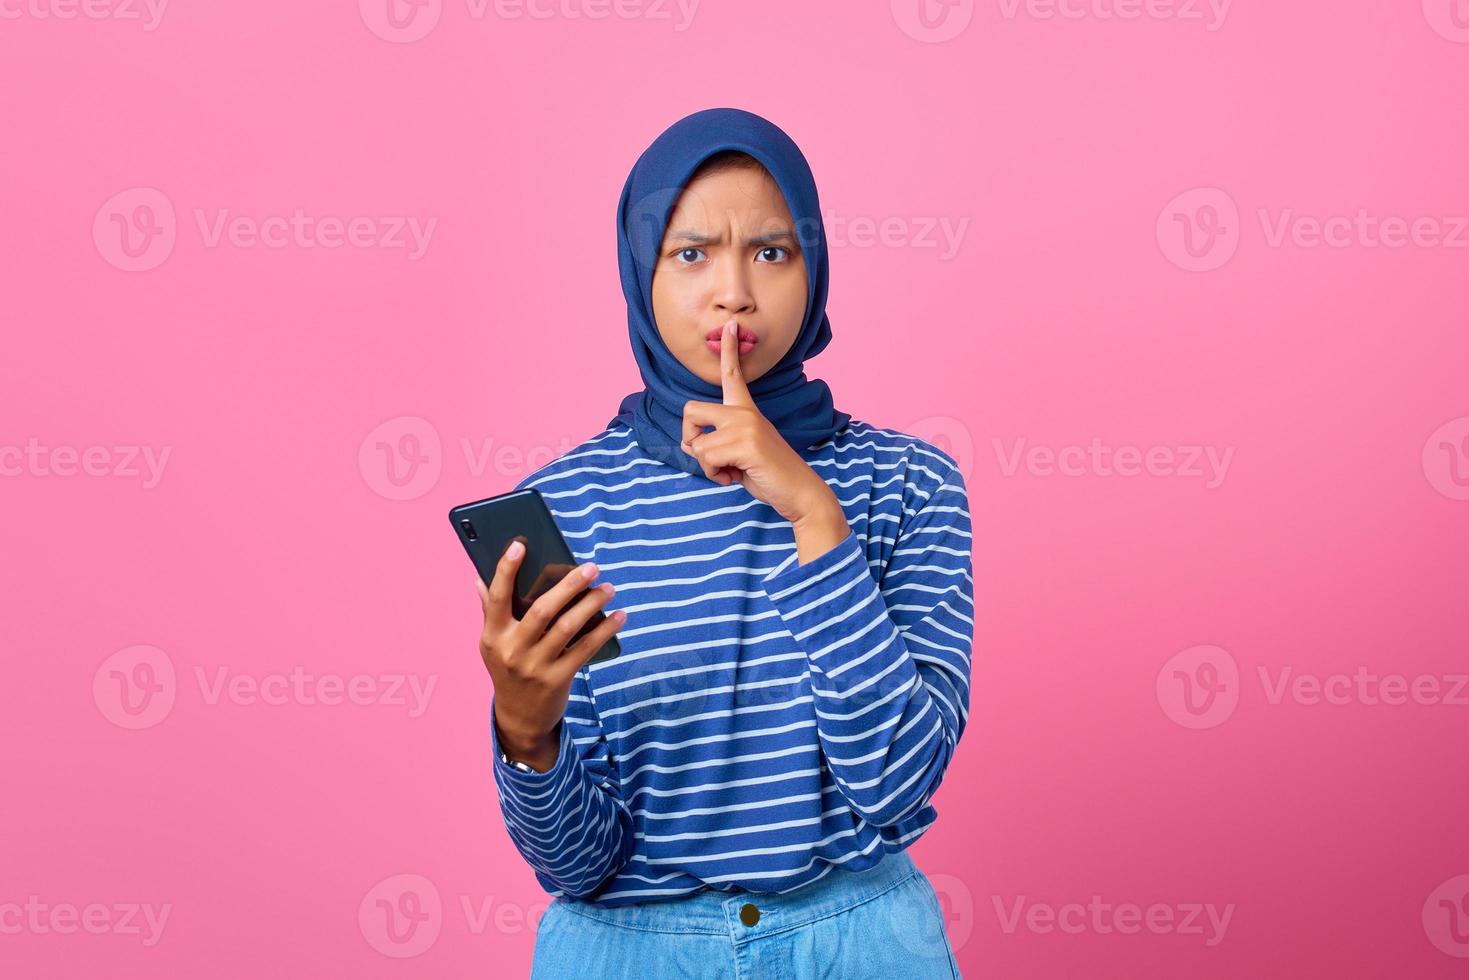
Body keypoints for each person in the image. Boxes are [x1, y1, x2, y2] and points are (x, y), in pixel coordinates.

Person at [473, 107, 973, 979]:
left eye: (771, 252)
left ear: (814, 269)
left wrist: (815, 517)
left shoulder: (909, 483)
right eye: (691, 253)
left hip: (858, 945)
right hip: (630, 953)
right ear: (640, 274)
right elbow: (576, 863)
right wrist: (526, 730)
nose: (733, 291)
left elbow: (896, 787)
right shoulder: (563, 507)